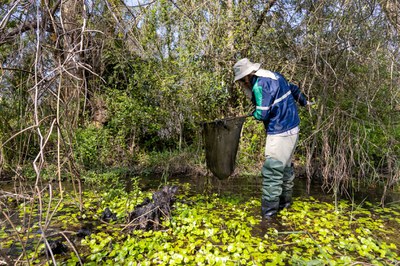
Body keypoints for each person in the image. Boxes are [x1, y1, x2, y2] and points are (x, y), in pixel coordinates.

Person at [233, 58, 311, 219]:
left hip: (279, 132)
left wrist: (252, 114)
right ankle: (285, 205)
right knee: (286, 168)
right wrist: (305, 102)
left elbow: (262, 114)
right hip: (293, 128)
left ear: (246, 76)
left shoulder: (260, 85)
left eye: (241, 81)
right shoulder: (275, 75)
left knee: (272, 171)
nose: (241, 84)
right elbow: (294, 89)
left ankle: (269, 217)